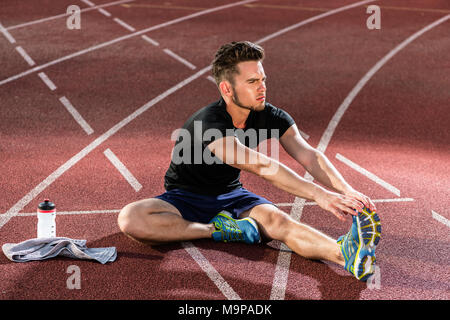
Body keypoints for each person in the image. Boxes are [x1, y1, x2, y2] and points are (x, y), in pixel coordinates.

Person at [118, 41, 381, 281]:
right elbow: (261, 165)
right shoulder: (208, 122)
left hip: (232, 196)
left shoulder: (271, 115)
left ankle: (345, 254)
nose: (262, 87)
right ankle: (220, 230)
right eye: (253, 81)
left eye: (263, 79)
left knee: (280, 222)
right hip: (185, 197)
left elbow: (309, 155)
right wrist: (319, 195)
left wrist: (347, 190)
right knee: (131, 219)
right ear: (227, 89)